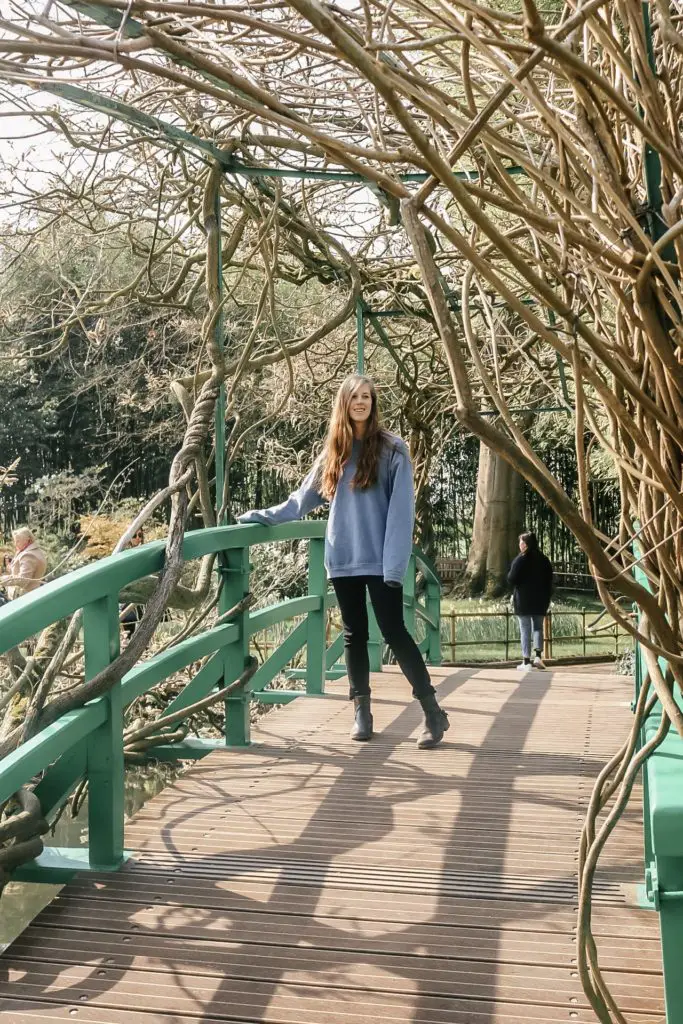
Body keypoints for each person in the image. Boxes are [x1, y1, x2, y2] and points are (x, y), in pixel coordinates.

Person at [238, 374, 449, 749]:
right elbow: (301, 501)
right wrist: (264, 516)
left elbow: (402, 514)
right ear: (344, 403)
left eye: (367, 397)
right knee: (353, 634)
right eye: (355, 397)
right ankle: (361, 711)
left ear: (373, 403)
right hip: (343, 556)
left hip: (381, 560)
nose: (361, 402)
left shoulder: (393, 449)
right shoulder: (334, 451)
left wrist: (394, 566)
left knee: (395, 632)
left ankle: (433, 712)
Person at [507, 531, 553, 672]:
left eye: (521, 542)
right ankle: (538, 656)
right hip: (541, 599)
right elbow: (550, 579)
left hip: (524, 599)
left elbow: (511, 578)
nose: (519, 545)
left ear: (526, 544)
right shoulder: (544, 560)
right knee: (538, 627)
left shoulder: (520, 560)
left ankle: (526, 661)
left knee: (525, 629)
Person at [0, 527, 47, 600]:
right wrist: (10, 566)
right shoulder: (34, 550)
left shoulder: (28, 555)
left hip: (23, 597)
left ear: (28, 540)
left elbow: (23, 580)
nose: (15, 544)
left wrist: (2, 579)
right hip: (30, 593)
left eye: (18, 541)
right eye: (15, 541)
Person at [120, 527, 145, 639]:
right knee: (128, 619)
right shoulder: (124, 552)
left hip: (142, 588)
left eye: (140, 535)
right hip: (128, 589)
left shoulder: (145, 550)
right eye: (135, 536)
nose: (138, 538)